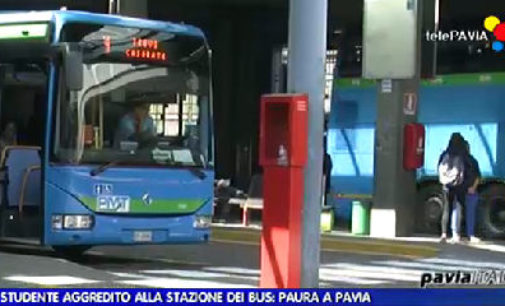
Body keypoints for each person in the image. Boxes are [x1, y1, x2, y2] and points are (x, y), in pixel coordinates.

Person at [438, 133, 470, 243]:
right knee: (458, 208)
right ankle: (456, 234)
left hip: (446, 185)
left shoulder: (444, 154)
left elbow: (438, 166)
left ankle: (443, 234)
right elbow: (467, 169)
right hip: (459, 185)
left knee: (446, 208)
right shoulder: (463, 154)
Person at [464, 140, 482, 243]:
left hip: (459, 190)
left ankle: (455, 234)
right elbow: (478, 176)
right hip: (471, 190)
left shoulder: (458, 160)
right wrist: (473, 188)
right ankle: (470, 234)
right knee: (471, 213)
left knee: (456, 212)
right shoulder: (473, 160)